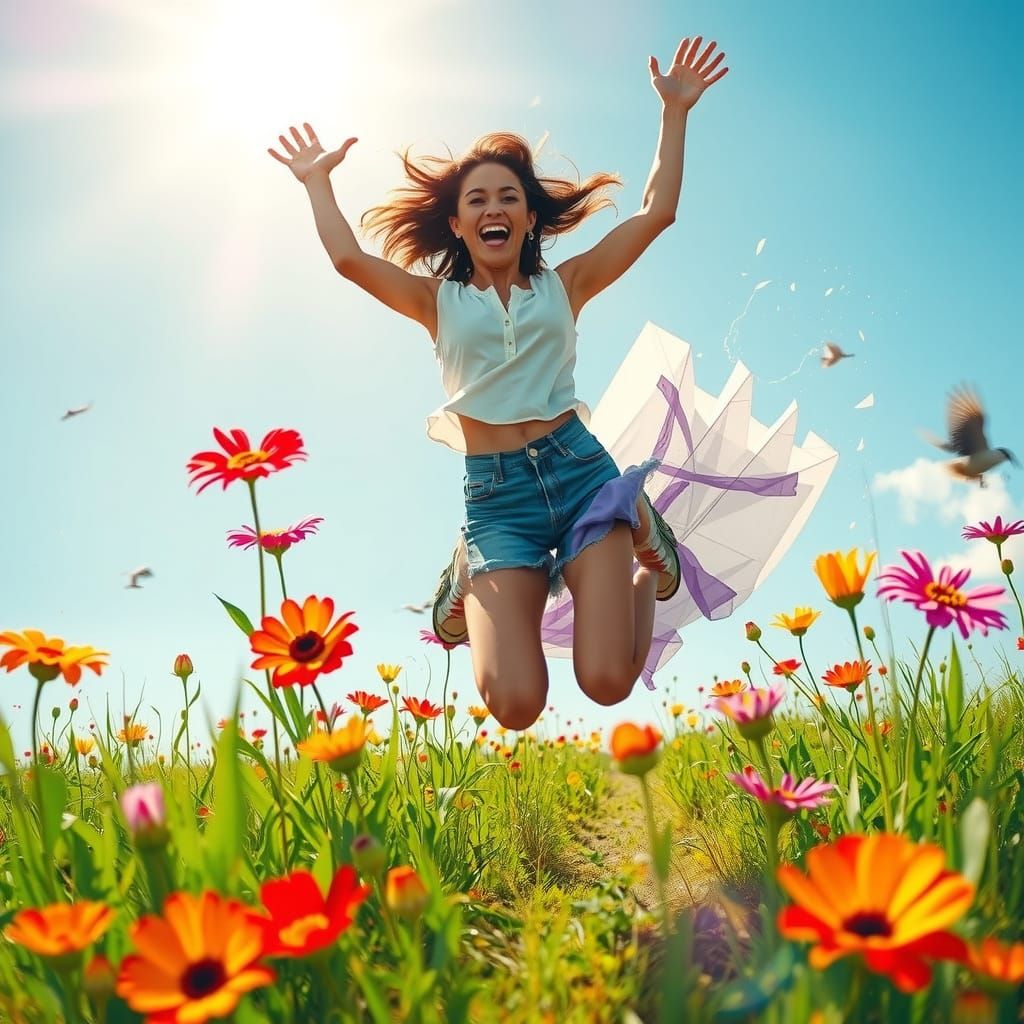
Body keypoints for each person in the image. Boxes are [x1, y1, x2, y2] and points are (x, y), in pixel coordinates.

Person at [269, 36, 729, 729]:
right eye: (477, 199)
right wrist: (316, 183)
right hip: (496, 499)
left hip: (581, 478)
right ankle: (468, 565)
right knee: (515, 705)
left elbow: (654, 214)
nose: (493, 207)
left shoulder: (565, 286)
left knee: (607, 683)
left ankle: (643, 561)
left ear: (528, 218)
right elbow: (347, 260)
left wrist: (676, 113)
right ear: (457, 224)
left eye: (508, 197)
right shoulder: (437, 303)